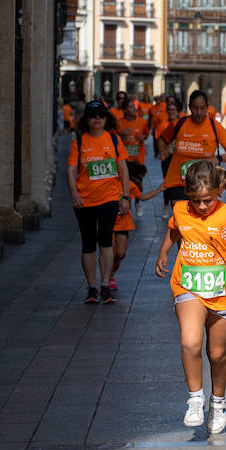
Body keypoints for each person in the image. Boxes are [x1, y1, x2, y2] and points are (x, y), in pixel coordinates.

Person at [154, 160, 226, 435]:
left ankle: (218, 402)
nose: (202, 207)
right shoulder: (180, 209)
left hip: (222, 292)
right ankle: (195, 399)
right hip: (188, 285)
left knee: (217, 354)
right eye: (196, 201)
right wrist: (164, 251)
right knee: (190, 342)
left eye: (208, 200)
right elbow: (175, 229)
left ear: (219, 191)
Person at [67, 101, 132, 305]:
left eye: (101, 115)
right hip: (85, 200)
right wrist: (74, 195)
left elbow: (123, 169)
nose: (97, 118)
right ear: (86, 119)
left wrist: (126, 197)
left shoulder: (113, 140)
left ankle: (105, 285)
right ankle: (91, 287)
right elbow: (70, 171)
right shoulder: (79, 141)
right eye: (93, 115)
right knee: (88, 243)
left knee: (105, 239)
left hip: (109, 198)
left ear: (106, 119)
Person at [157, 90, 226, 209]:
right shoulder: (179, 123)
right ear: (190, 107)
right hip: (178, 182)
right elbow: (161, 139)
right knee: (180, 219)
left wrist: (217, 159)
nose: (199, 112)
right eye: (195, 108)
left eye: (202, 108)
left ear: (207, 107)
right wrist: (162, 151)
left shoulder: (214, 126)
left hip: (203, 183)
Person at [110, 179, 163, 291]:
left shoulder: (128, 184)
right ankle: (109, 279)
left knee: (120, 253)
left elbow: (142, 197)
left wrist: (159, 190)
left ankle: (113, 268)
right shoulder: (105, 182)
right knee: (110, 252)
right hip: (108, 222)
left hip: (123, 223)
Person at [114, 95, 152, 187]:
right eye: (131, 107)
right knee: (125, 185)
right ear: (124, 110)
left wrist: (144, 137)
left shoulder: (143, 122)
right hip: (123, 158)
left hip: (138, 158)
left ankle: (137, 198)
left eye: (134, 106)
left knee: (137, 184)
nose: (134, 108)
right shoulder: (118, 123)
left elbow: (146, 134)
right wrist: (120, 134)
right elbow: (112, 140)